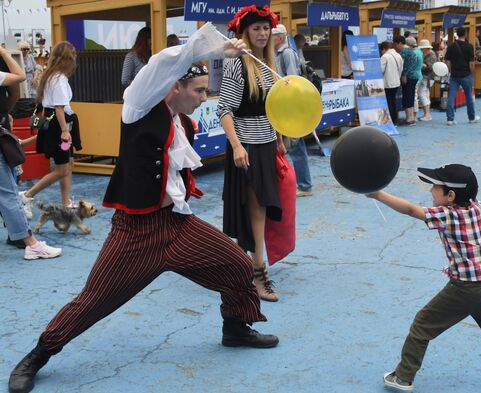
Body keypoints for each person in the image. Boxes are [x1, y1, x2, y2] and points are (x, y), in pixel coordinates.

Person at [7, 23, 278, 393]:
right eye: (198, 91)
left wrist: (217, 55)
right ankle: (38, 355)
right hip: (136, 232)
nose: (203, 98)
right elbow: (162, 64)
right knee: (94, 300)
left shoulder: (179, 121)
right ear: (174, 86)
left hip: (177, 225)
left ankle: (235, 327)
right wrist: (209, 47)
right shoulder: (137, 105)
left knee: (238, 265)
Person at [369, 164, 481, 392]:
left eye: (435, 187)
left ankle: (403, 377)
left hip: (465, 288)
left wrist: (378, 194)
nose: (431, 190)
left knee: (422, 325)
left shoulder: (447, 215)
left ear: (450, 196)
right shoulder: (480, 208)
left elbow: (411, 210)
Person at [217, 5, 286, 302]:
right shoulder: (237, 64)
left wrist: (280, 137)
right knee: (255, 207)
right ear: (245, 32)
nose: (262, 33)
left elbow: (275, 108)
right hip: (245, 145)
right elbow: (224, 109)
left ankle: (246, 266)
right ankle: (258, 270)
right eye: (256, 28)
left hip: (267, 143)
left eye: (265, 28)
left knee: (260, 207)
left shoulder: (269, 64)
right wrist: (236, 145)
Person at [0, 46, 62, 259]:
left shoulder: (45, 76)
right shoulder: (52, 78)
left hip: (44, 123)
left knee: (65, 168)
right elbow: (55, 109)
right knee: (62, 169)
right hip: (51, 125)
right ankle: (30, 241)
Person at [19, 42, 82, 219]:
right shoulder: (59, 79)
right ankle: (27, 196)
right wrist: (64, 131)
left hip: (56, 125)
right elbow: (59, 108)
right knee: (62, 168)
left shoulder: (50, 75)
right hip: (59, 128)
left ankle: (66, 202)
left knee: (68, 164)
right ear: (68, 60)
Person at [272, 24, 313, 198]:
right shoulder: (280, 53)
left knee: (296, 145)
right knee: (292, 145)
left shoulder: (287, 53)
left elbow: (291, 80)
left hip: (289, 105)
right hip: (285, 104)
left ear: (280, 38)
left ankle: (304, 185)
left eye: (272, 36)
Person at [444, 27, 480, 126]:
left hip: (454, 75)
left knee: (451, 96)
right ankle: (471, 117)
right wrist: (471, 74)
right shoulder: (469, 46)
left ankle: (450, 119)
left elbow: (447, 61)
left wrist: (451, 70)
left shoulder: (451, 46)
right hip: (466, 74)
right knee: (469, 96)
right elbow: (471, 63)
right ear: (465, 34)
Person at [380, 41, 403, 125]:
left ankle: (390, 120)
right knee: (393, 101)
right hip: (396, 82)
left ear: (384, 49)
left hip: (387, 83)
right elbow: (401, 69)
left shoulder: (385, 57)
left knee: (388, 101)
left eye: (381, 50)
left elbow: (380, 70)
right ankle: (395, 119)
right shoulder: (398, 55)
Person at [399, 36, 419, 126]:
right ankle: (411, 118)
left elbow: (402, 65)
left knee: (407, 96)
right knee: (411, 96)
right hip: (414, 76)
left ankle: (409, 119)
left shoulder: (404, 51)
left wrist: (403, 74)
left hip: (407, 76)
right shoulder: (413, 52)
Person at [418, 39, 436, 121]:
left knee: (422, 94)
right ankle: (427, 114)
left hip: (428, 77)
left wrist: (420, 64)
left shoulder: (431, 54)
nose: (422, 50)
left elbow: (430, 67)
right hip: (427, 77)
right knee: (425, 94)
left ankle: (427, 114)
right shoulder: (427, 53)